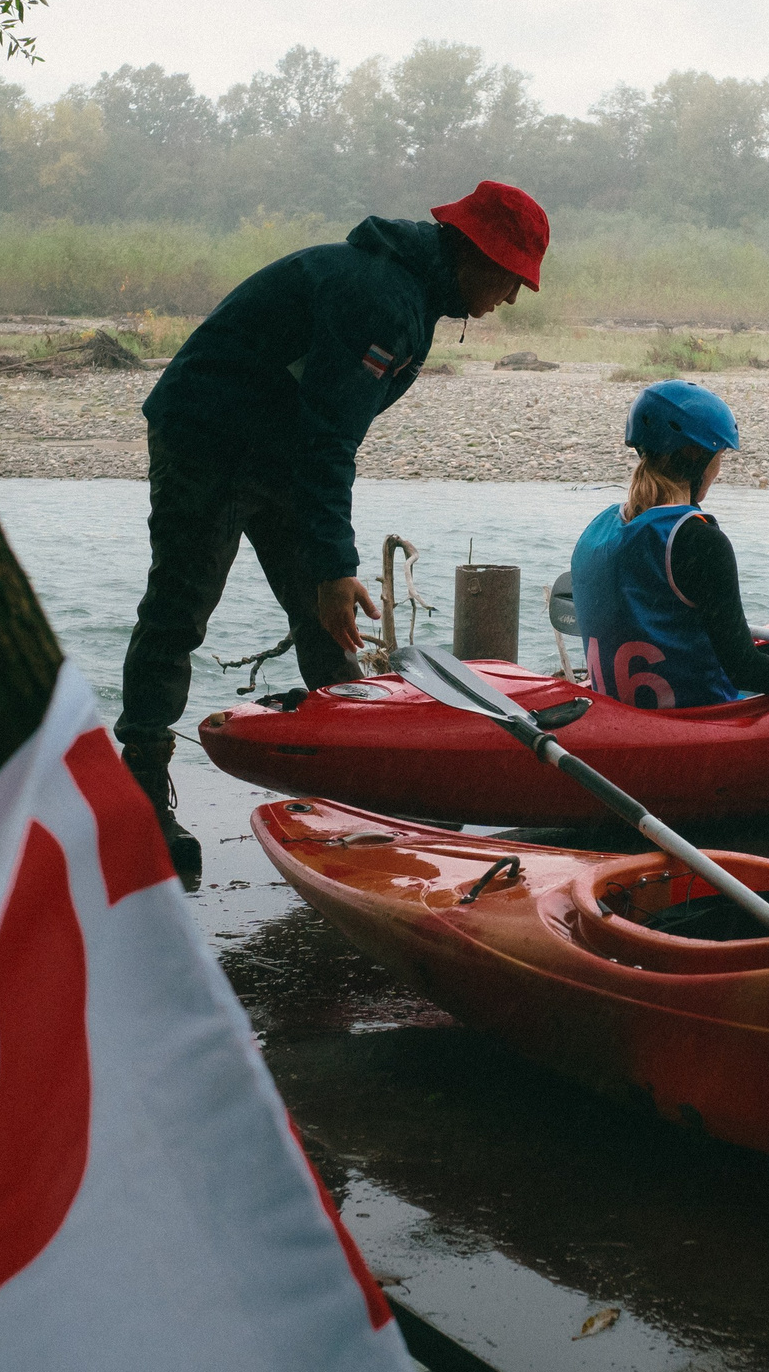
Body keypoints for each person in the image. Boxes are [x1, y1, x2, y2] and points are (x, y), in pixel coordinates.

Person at [117, 180, 550, 881]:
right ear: (475, 253)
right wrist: (333, 565)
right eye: (511, 277)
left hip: (277, 446)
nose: (511, 297)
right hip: (209, 439)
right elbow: (331, 439)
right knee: (179, 612)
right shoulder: (382, 298)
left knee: (329, 620)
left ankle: (362, 785)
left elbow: (322, 432)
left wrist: (328, 569)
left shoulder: (412, 294)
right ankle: (137, 793)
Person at [570, 380, 769, 710]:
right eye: (719, 456)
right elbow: (744, 670)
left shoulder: (598, 529)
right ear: (697, 457)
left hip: (621, 717)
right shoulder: (698, 540)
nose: (718, 470)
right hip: (695, 726)